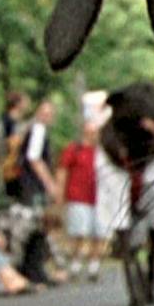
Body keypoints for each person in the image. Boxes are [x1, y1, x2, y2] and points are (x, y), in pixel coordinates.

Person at [56, 110, 104, 280]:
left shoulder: (103, 152)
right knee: (79, 232)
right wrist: (59, 193)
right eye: (90, 131)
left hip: (99, 198)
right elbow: (62, 171)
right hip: (78, 196)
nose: (93, 135)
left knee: (99, 233)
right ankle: (75, 263)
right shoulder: (74, 149)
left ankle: (94, 265)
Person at [0, 90, 30, 200]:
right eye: (25, 101)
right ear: (18, 104)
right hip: (9, 169)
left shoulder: (11, 122)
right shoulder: (7, 124)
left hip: (12, 168)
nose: (27, 104)